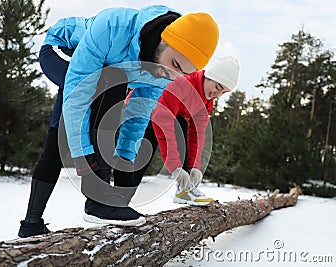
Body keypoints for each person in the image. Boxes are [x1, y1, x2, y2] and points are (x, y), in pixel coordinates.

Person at [18, 5, 219, 238]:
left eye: (183, 73)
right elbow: (78, 98)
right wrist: (86, 164)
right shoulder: (112, 27)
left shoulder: (165, 72)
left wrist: (125, 162)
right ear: (163, 40)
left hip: (103, 74)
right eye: (174, 65)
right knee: (108, 83)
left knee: (56, 138)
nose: (172, 76)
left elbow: (138, 115)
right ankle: (97, 201)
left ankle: (31, 224)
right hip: (62, 49)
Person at [129, 56, 240, 205]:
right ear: (208, 76)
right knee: (142, 156)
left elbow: (196, 134)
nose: (218, 94)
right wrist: (175, 166)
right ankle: (118, 200)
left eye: (224, 92)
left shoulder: (206, 101)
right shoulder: (182, 83)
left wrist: (195, 166)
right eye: (218, 87)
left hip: (166, 116)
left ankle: (185, 190)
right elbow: (164, 122)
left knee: (181, 124)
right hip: (144, 109)